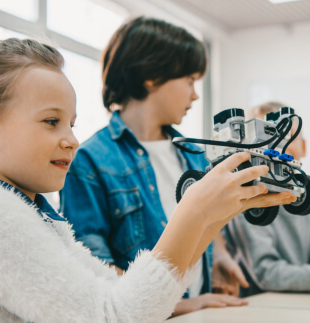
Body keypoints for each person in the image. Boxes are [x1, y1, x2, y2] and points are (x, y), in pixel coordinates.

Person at [0, 38, 295, 322]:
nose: (72, 139)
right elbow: (113, 317)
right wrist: (193, 212)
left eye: (72, 124)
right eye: (51, 121)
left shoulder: (23, 211)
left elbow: (112, 296)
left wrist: (211, 219)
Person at [59, 16, 251, 316]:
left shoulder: (194, 153)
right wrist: (183, 305)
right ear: (151, 75)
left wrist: (220, 257)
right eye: (189, 80)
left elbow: (208, 219)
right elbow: (96, 274)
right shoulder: (89, 161)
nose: (195, 94)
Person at [223, 101, 310, 297]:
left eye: (287, 137)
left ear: (304, 147)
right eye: (266, 137)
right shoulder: (245, 197)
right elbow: (265, 273)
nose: (278, 146)